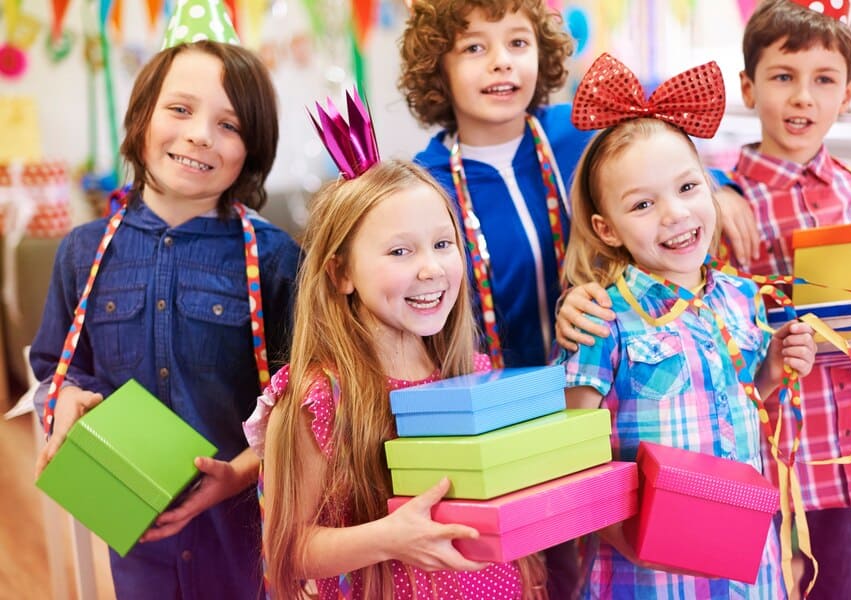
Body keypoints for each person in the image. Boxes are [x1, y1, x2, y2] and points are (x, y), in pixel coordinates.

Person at [30, 36, 301, 599]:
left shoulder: (276, 260)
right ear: (141, 118)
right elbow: (57, 366)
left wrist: (242, 473)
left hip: (247, 542)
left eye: (230, 125)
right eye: (180, 109)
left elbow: (304, 396)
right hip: (134, 538)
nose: (201, 133)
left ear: (253, 149)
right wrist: (62, 404)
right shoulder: (81, 252)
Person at [555, 53, 817, 599]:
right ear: (607, 229)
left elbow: (737, 399)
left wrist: (770, 370)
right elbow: (575, 459)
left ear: (710, 186)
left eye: (688, 188)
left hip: (746, 566)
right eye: (643, 204)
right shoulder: (603, 318)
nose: (675, 214)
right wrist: (631, 540)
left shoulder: (743, 297)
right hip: (647, 574)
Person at [244, 145, 546, 596]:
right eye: (401, 251)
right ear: (340, 274)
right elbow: (289, 551)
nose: (430, 268)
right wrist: (388, 538)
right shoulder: (319, 398)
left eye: (443, 244)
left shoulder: (475, 375)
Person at [399, 3, 612, 593]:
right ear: (437, 68)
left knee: (599, 569)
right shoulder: (422, 183)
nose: (501, 62)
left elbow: (664, 168)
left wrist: (722, 192)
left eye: (517, 42)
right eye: (474, 48)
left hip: (601, 409)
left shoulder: (584, 139)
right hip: (491, 431)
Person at [710, 1, 851, 598]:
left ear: (849, 93)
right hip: (766, 461)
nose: (803, 98)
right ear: (748, 86)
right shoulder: (721, 203)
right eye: (783, 77)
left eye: (823, 81)